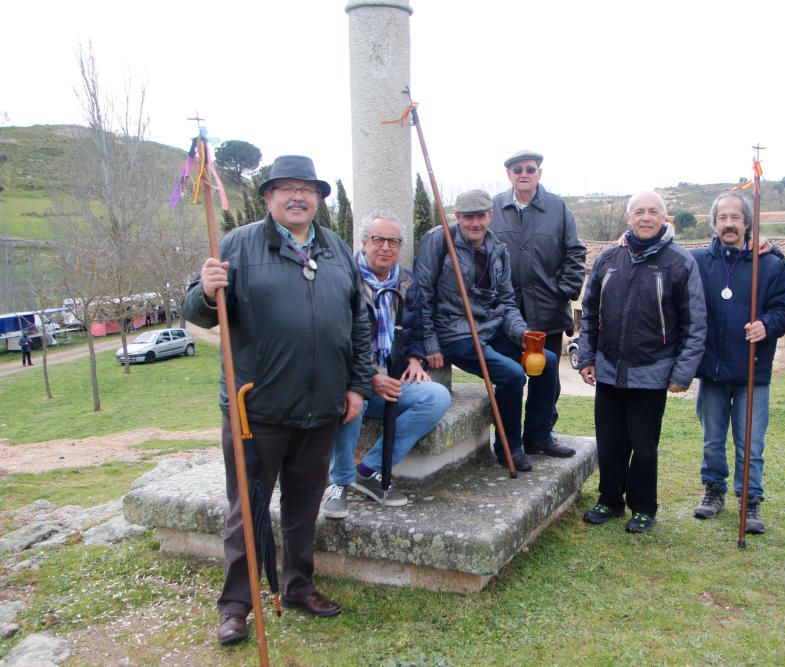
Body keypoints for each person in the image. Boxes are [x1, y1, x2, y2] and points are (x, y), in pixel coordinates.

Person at [183, 155, 375, 646]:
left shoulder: (333, 248)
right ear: (268, 197)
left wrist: (356, 385)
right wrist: (205, 293)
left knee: (304, 505)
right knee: (245, 511)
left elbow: (357, 322)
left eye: (306, 189)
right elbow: (200, 313)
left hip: (320, 408)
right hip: (256, 410)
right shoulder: (238, 245)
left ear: (317, 199)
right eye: (286, 188)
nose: (298, 196)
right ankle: (236, 606)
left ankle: (297, 586)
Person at [577, 191, 707, 533]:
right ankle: (609, 500)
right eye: (639, 212)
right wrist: (586, 356)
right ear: (629, 218)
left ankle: (644, 506)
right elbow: (589, 314)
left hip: (653, 372)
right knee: (610, 440)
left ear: (664, 219)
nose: (645, 217)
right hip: (607, 369)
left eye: (653, 212)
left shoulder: (680, 262)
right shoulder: (608, 259)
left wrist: (682, 372)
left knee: (644, 446)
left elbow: (695, 322)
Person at [414, 189, 558, 473]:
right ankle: (510, 448)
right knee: (513, 374)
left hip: (490, 327)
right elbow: (421, 295)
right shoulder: (439, 240)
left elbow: (506, 301)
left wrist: (522, 334)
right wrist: (429, 343)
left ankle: (537, 436)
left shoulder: (498, 250)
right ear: (457, 217)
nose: (475, 223)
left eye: (480, 216)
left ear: (490, 215)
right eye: (468, 217)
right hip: (455, 332)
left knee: (549, 361)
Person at [322, 212, 451, 519]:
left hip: (391, 377)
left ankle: (371, 468)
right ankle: (339, 481)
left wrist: (416, 359)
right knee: (352, 400)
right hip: (351, 378)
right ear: (364, 242)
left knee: (436, 397)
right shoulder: (341, 280)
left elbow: (415, 332)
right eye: (378, 239)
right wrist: (367, 378)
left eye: (394, 241)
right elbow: (331, 342)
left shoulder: (407, 283)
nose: (386, 247)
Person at [690, 193, 785, 533]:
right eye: (722, 217)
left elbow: (784, 310)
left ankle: (750, 502)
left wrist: (767, 324)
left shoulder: (770, 265)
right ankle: (713, 490)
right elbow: (663, 253)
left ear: (748, 222)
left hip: (753, 371)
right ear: (714, 223)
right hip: (713, 370)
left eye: (736, 217)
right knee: (712, 439)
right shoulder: (699, 262)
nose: (729, 223)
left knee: (751, 443)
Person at [492, 150, 586, 458]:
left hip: (547, 311)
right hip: (506, 314)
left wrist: (564, 290)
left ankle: (540, 435)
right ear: (509, 174)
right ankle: (509, 442)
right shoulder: (494, 208)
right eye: (517, 169)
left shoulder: (558, 208)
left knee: (546, 379)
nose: (524, 173)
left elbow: (575, 253)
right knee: (510, 377)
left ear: (539, 174)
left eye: (530, 169)